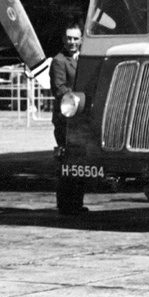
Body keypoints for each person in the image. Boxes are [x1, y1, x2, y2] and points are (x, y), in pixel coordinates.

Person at [50, 22, 88, 215]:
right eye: (68, 38)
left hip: (80, 118)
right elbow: (59, 88)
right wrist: (79, 98)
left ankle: (76, 203)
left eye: (75, 38)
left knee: (79, 162)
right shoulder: (59, 60)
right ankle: (66, 204)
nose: (72, 42)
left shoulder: (84, 59)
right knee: (68, 161)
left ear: (81, 39)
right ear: (63, 40)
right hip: (66, 118)